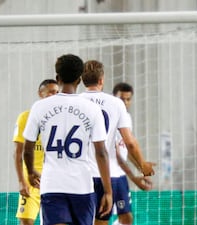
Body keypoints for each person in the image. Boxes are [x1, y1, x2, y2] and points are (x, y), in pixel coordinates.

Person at [23, 54, 113, 225]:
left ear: (58, 78)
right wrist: (108, 191)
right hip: (82, 186)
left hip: (52, 184)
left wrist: (30, 171)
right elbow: (101, 152)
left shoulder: (39, 107)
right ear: (80, 79)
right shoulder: (93, 109)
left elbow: (27, 148)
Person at [80, 60, 155, 225]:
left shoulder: (75, 102)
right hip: (106, 175)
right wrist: (143, 167)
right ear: (102, 80)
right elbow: (130, 143)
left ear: (82, 79)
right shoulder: (115, 104)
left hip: (79, 174)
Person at [13, 79, 58, 225]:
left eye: (57, 92)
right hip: (32, 181)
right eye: (51, 91)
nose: (54, 95)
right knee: (26, 221)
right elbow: (18, 153)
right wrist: (21, 181)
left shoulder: (61, 119)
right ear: (40, 93)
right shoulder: (25, 117)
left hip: (54, 179)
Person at [111, 82, 153, 225]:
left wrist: (141, 167)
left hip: (119, 175)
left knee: (126, 218)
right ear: (114, 98)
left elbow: (126, 149)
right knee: (100, 218)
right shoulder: (110, 119)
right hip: (106, 174)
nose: (125, 102)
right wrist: (134, 177)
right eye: (122, 99)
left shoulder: (127, 118)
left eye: (128, 99)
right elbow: (115, 153)